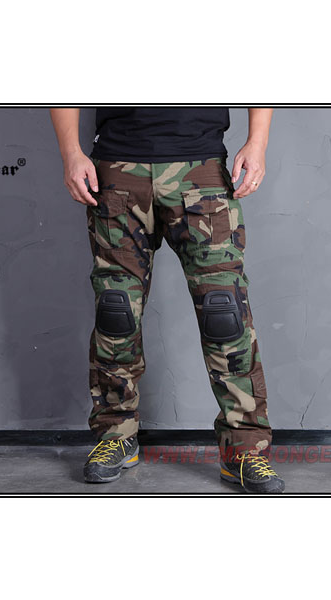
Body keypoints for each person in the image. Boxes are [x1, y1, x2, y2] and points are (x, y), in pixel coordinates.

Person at [50, 107, 285, 494]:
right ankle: (116, 435)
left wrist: (257, 143)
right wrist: (71, 153)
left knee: (224, 312)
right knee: (116, 312)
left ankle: (244, 448)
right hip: (118, 167)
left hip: (201, 168)